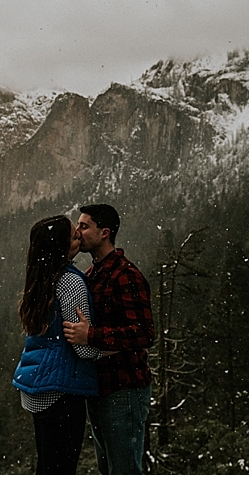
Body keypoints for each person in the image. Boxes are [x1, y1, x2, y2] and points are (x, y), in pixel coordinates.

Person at [63, 203, 155, 475]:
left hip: (124, 389)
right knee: (108, 469)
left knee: (124, 469)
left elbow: (144, 333)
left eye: (83, 226)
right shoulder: (92, 274)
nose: (78, 232)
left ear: (104, 233)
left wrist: (90, 335)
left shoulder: (125, 275)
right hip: (99, 387)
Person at [13, 214, 106, 474]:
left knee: (47, 464)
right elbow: (82, 345)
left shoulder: (39, 279)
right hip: (61, 389)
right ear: (60, 246)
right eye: (74, 235)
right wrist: (111, 346)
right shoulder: (71, 282)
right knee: (61, 468)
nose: (79, 235)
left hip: (35, 384)